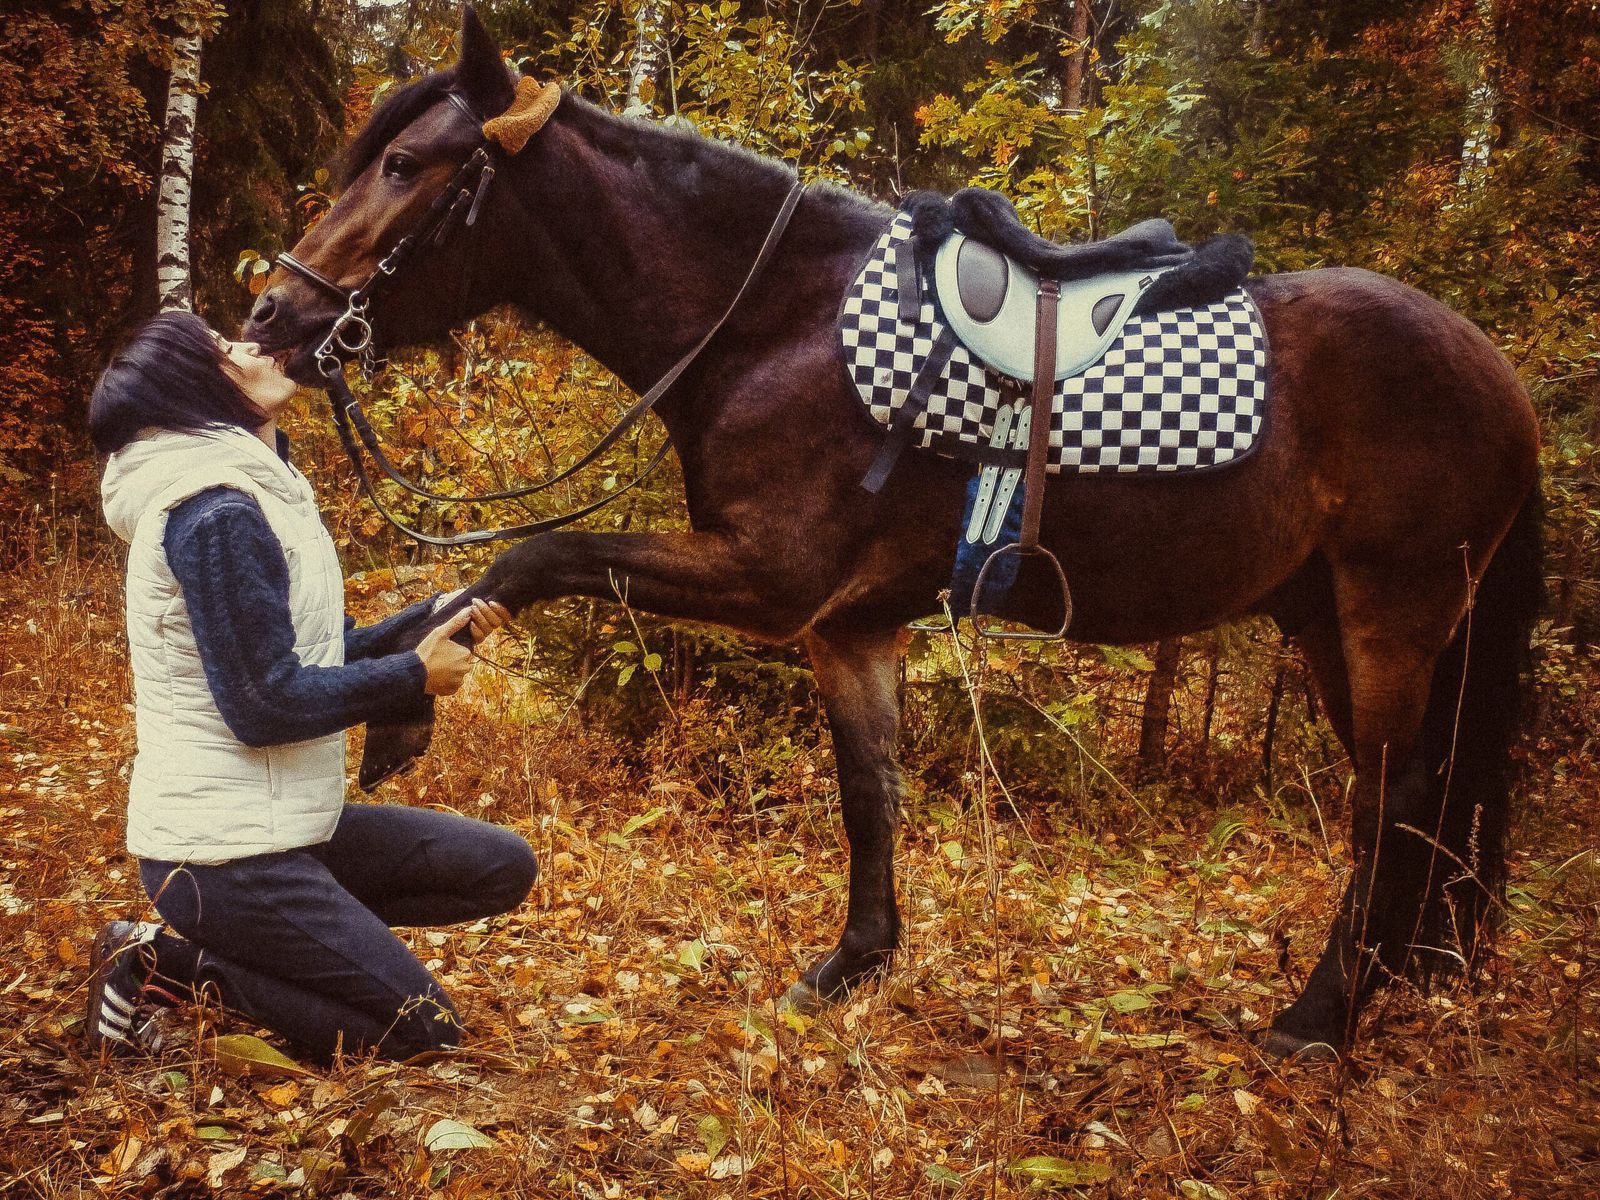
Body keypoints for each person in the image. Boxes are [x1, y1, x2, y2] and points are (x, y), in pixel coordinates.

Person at [84, 308, 535, 1063]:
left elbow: (310, 655)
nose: (251, 345)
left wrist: (422, 622)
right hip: (220, 858)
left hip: (288, 828)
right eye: (225, 349)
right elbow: (263, 704)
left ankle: (301, 945)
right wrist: (414, 674)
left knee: (499, 865)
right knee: (424, 1032)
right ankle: (163, 961)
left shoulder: (252, 490)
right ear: (194, 391)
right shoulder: (214, 510)